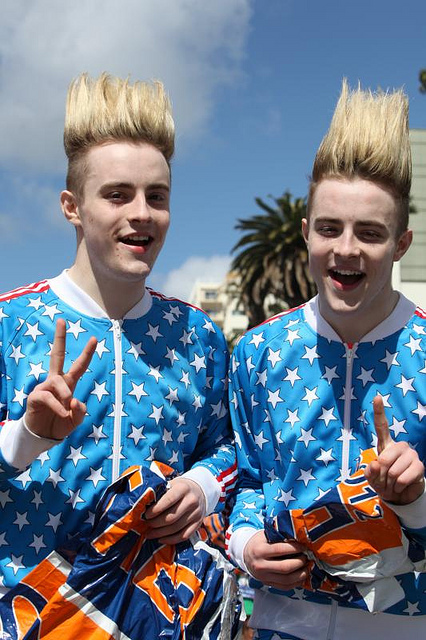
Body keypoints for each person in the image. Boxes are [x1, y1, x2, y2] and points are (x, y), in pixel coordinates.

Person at [0, 72, 236, 595]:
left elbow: (229, 450)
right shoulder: (8, 323)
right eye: (117, 195)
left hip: (159, 618)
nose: (141, 214)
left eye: (157, 196)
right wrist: (25, 436)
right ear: (72, 207)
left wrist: (201, 488)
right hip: (28, 617)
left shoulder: (199, 335)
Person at [226, 80, 426, 639]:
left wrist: (417, 501)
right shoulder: (257, 352)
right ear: (306, 232)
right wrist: (245, 545)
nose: (346, 250)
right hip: (278, 622)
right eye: (330, 228)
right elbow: (244, 479)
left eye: (370, 233)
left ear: (401, 244)